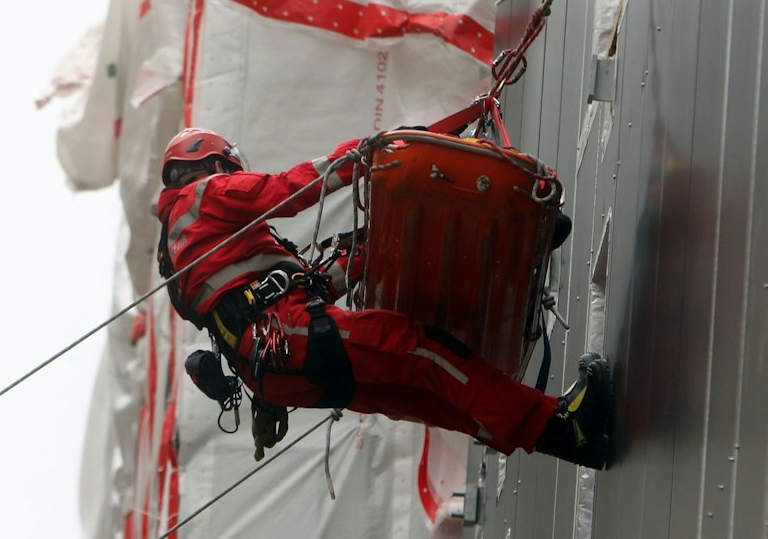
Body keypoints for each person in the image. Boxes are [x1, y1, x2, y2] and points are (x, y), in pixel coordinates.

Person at [155, 127, 616, 468]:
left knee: (426, 395)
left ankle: (563, 440)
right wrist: (362, 154)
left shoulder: (188, 254)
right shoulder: (203, 196)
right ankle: (565, 424)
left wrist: (365, 251)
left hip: (280, 373)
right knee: (425, 352)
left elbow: (299, 289)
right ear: (215, 166)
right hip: (291, 340)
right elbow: (287, 190)